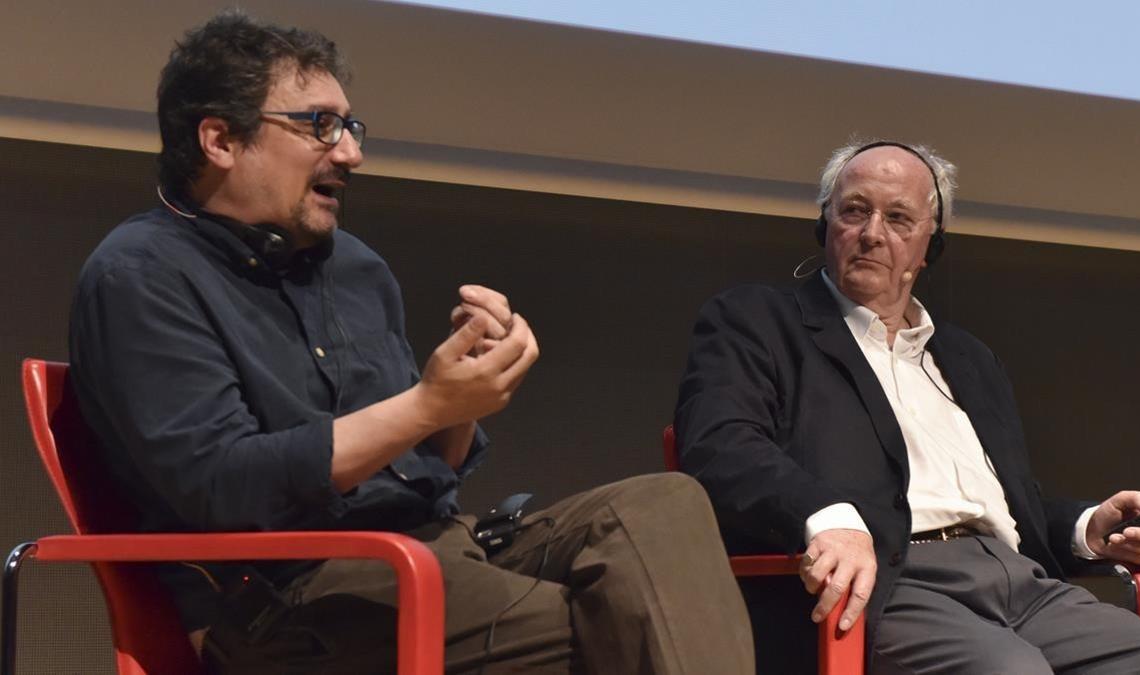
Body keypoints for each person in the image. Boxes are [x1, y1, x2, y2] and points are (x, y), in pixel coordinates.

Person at [68, 11, 754, 674]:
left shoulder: (355, 267)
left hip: (432, 549)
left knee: (663, 504)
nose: (352, 152)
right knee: (611, 620)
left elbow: (431, 465)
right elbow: (222, 487)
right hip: (280, 600)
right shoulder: (141, 275)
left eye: (350, 126)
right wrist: (428, 404)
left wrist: (462, 395)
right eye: (320, 126)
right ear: (220, 140)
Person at [674, 139, 1140, 674]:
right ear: (824, 224)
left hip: (1021, 583)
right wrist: (824, 515)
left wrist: (1087, 527)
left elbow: (1003, 500)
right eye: (854, 211)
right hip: (889, 580)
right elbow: (719, 444)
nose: (872, 233)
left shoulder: (969, 357)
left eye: (898, 217)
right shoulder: (758, 321)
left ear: (930, 246)